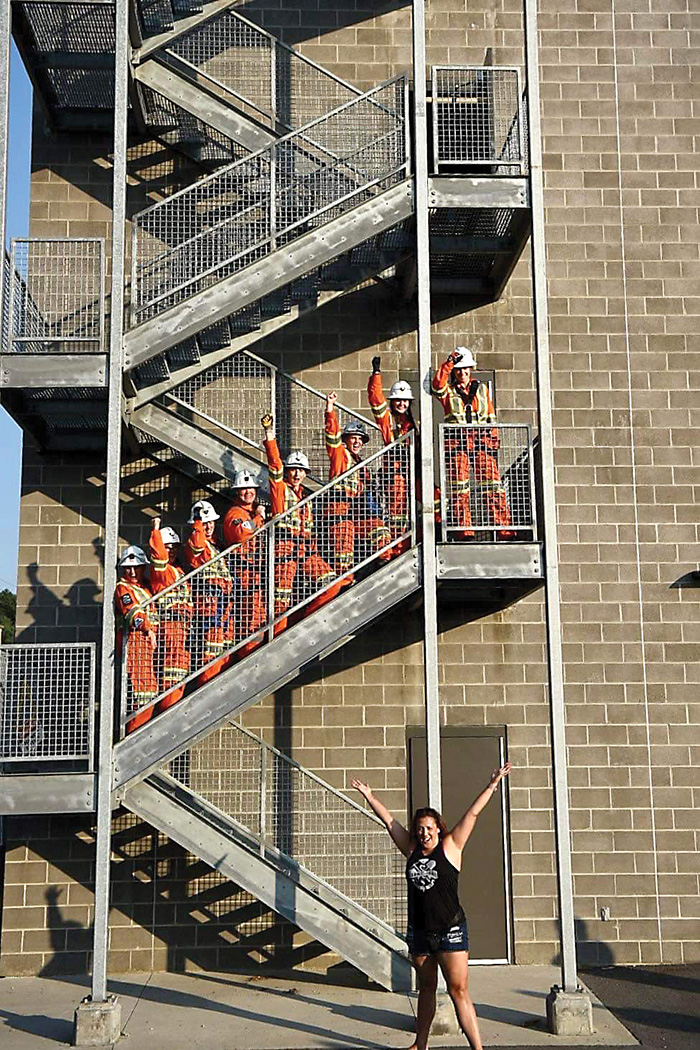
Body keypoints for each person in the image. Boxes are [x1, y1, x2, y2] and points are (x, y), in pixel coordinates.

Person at [352, 762, 512, 1050]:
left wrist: (491, 785)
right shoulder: (411, 850)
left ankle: (478, 1048)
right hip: (420, 933)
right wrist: (370, 796)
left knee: (458, 990)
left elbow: (472, 814)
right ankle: (420, 1045)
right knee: (425, 989)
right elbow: (390, 822)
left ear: (438, 828)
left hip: (450, 931)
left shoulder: (451, 846)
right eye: (419, 829)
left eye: (428, 828)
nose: (424, 833)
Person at [261, 412, 342, 632]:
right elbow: (274, 465)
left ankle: (302, 624)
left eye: (301, 471)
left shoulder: (307, 498)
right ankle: (277, 638)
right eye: (293, 470)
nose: (297, 474)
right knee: (281, 599)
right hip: (285, 549)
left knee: (331, 583)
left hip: (305, 549)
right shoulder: (280, 490)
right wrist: (269, 435)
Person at [431, 347, 515, 540]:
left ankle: (504, 529)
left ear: (471, 369)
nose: (462, 373)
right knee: (460, 489)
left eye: (465, 368)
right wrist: (449, 362)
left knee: (493, 486)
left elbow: (490, 417)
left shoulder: (483, 391)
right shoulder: (448, 392)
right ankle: (464, 531)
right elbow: (437, 385)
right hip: (458, 446)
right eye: (459, 369)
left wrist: (494, 443)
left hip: (481, 444)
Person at [323, 391, 391, 583]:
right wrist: (330, 409)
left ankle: (384, 563)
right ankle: (345, 584)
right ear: (345, 439)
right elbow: (331, 435)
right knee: (343, 550)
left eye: (360, 439)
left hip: (357, 513)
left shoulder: (361, 464)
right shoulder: (340, 455)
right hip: (340, 512)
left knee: (380, 530)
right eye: (353, 437)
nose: (357, 442)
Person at [367, 356, 417, 555]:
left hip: (414, 471)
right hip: (395, 473)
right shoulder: (389, 421)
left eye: (404, 400)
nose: (401, 403)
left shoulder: (415, 423)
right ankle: (397, 549)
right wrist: (376, 375)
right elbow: (376, 400)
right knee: (397, 512)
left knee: (430, 504)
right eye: (398, 400)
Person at [184, 499, 233, 684]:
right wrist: (198, 523)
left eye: (211, 522)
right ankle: (208, 684)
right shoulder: (195, 543)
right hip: (209, 602)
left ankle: (220, 680)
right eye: (204, 523)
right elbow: (197, 544)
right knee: (210, 647)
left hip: (224, 601)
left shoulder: (216, 544)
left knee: (223, 646)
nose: (208, 526)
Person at [222, 469, 267, 660]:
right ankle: (248, 657)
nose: (248, 492)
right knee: (248, 616)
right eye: (243, 489)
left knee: (257, 616)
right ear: (236, 492)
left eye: (251, 488)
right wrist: (258, 518)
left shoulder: (251, 511)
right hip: (243, 573)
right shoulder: (235, 513)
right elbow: (241, 534)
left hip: (255, 572)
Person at [149, 517, 193, 711]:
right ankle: (168, 708)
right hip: (171, 624)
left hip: (184, 625)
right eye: (168, 546)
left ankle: (174, 703)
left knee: (181, 668)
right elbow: (158, 556)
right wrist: (156, 530)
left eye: (175, 546)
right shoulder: (161, 571)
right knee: (172, 668)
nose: (172, 550)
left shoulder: (179, 570)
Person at [114, 545, 158, 734]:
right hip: (136, 642)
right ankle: (132, 740)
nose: (132, 571)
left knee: (150, 694)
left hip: (151, 643)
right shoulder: (122, 588)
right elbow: (132, 612)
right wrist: (147, 629)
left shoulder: (147, 586)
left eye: (136, 567)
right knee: (145, 694)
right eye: (128, 568)